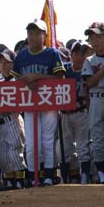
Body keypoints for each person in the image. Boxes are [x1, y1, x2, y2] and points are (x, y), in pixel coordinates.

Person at [10, 19, 65, 186]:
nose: (33, 37)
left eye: (37, 33)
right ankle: (34, 175)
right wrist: (26, 81)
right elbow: (16, 77)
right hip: (28, 102)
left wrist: (37, 77)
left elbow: (60, 77)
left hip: (49, 101)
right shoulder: (22, 55)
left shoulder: (52, 54)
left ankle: (49, 174)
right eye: (30, 33)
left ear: (44, 35)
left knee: (47, 139)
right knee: (32, 143)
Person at [82, 22, 104, 184]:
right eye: (91, 37)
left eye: (97, 37)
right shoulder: (89, 60)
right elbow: (89, 83)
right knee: (98, 138)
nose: (94, 41)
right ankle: (102, 173)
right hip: (96, 98)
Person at [61, 40, 93, 184]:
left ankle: (85, 176)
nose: (80, 56)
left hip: (81, 112)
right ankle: (64, 177)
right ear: (72, 54)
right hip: (65, 114)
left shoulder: (89, 70)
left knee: (82, 146)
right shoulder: (65, 71)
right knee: (63, 148)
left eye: (83, 53)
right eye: (77, 53)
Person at [0, 49, 27, 188]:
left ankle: (20, 180)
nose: (3, 65)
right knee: (3, 153)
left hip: (13, 118)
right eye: (1, 62)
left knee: (16, 150)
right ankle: (9, 181)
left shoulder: (18, 79)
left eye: (7, 62)